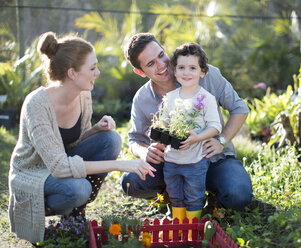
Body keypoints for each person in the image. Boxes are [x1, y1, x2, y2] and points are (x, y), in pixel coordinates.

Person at [8, 31, 155, 244]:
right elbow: (59, 166)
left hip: (63, 163)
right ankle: (64, 204)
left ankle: (75, 213)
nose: (98, 72)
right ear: (72, 73)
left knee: (110, 139)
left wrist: (95, 130)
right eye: (92, 68)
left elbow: (75, 143)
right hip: (34, 175)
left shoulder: (83, 94)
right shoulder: (36, 105)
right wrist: (121, 165)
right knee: (80, 188)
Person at [121, 32, 253, 212]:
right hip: (171, 165)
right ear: (140, 71)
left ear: (164, 50)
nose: (161, 66)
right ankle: (173, 197)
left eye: (161, 55)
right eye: (151, 64)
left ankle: (212, 199)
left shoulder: (205, 74)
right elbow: (135, 140)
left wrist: (222, 140)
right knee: (131, 182)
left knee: (238, 194)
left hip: (213, 159)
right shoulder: (142, 99)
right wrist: (144, 152)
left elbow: (240, 108)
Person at [159, 43, 222, 222]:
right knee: (175, 195)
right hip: (172, 159)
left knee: (194, 196)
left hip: (195, 160)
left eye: (193, 68)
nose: (186, 73)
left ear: (203, 72)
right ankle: (178, 227)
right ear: (174, 70)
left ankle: (191, 232)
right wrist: (159, 130)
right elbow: (164, 122)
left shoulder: (206, 98)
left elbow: (215, 126)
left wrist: (197, 138)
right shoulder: (170, 97)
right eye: (181, 67)